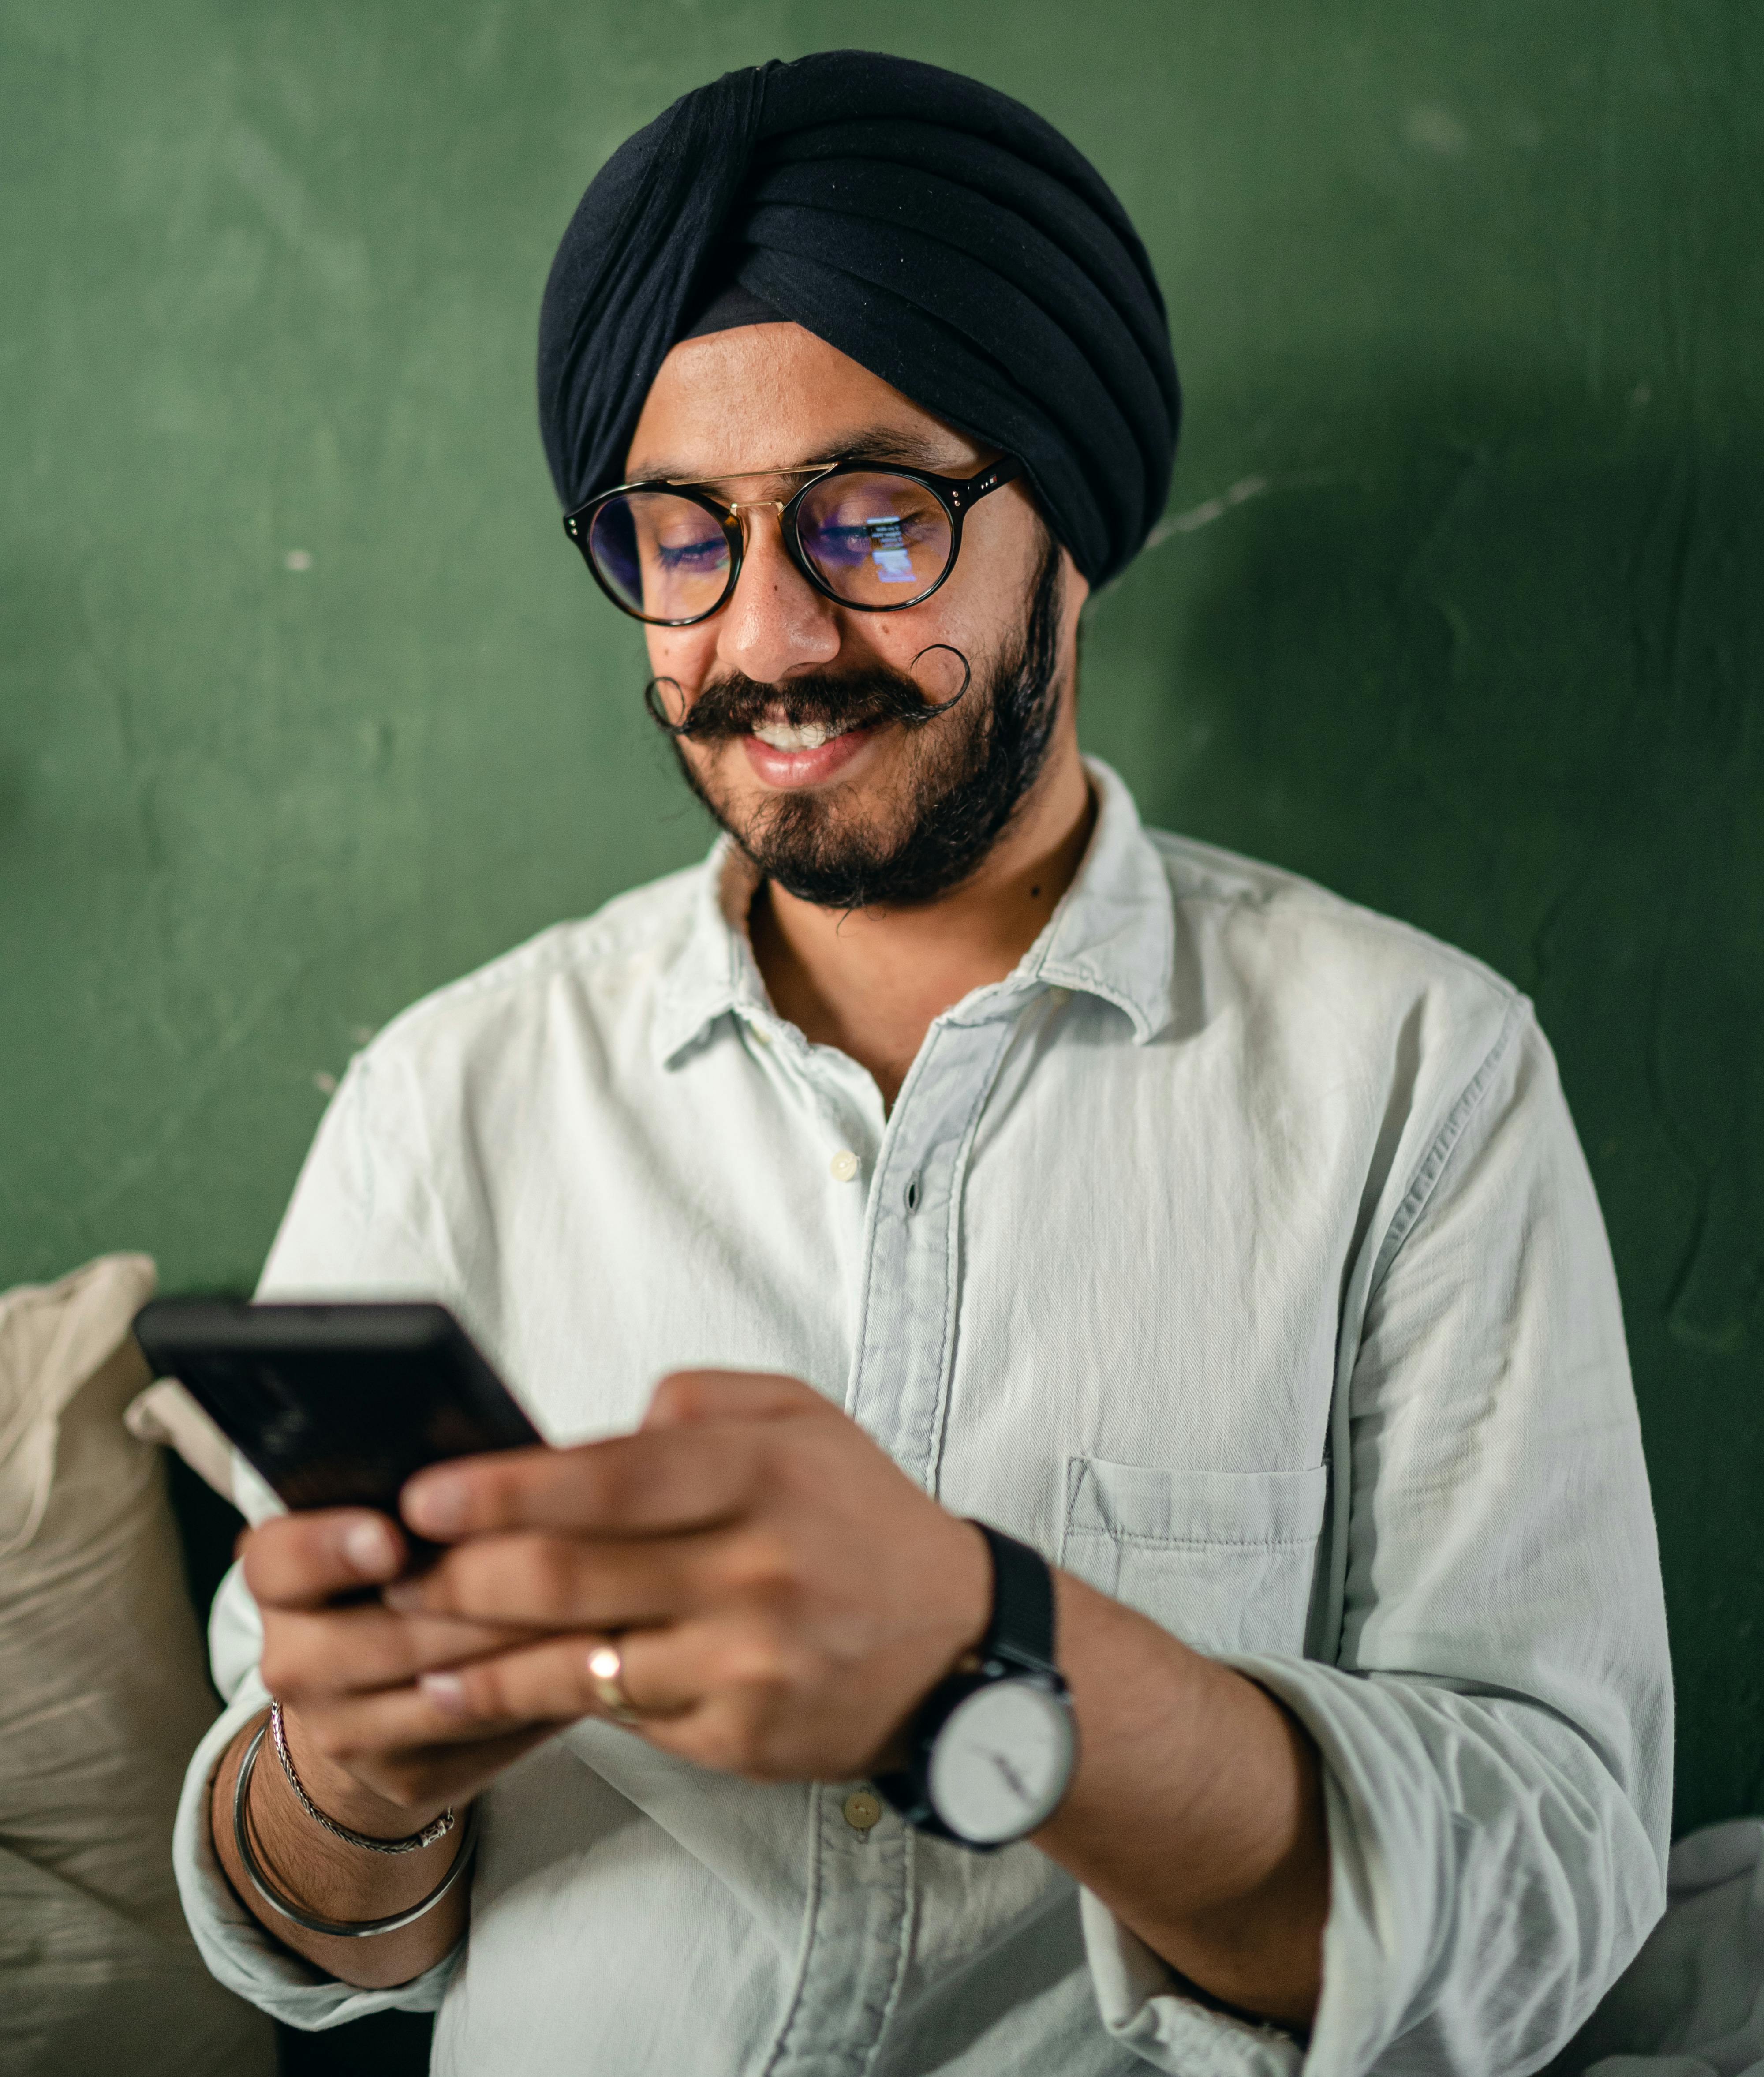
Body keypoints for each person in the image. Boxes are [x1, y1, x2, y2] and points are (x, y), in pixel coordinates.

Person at [173, 49, 1671, 2077]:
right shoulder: (449, 1095)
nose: (766, 635)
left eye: (871, 519)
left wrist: (997, 1658)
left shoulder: (1419, 1075)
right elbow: (316, 1943)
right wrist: (361, 1769)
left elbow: (1549, 1890)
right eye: (677, 533)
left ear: (1074, 521)